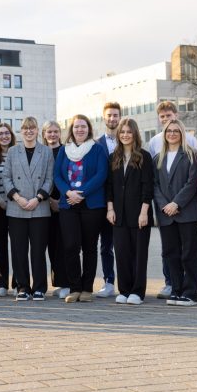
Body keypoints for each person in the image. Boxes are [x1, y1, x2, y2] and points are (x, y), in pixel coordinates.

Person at [54, 114, 109, 303]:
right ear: (71, 130)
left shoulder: (97, 149)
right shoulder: (64, 150)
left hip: (92, 205)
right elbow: (57, 176)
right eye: (76, 127)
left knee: (89, 248)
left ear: (89, 129)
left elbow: (102, 174)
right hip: (68, 204)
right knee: (70, 247)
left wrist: (82, 193)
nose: (80, 130)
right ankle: (75, 287)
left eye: (83, 127)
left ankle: (87, 288)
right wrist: (68, 193)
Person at [147, 101, 197, 300]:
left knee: (188, 255)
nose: (172, 134)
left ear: (182, 133)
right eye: (169, 131)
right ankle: (176, 290)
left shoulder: (191, 155)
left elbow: (192, 183)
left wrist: (176, 203)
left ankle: (191, 292)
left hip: (187, 212)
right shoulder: (157, 158)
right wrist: (164, 205)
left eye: (176, 131)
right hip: (166, 214)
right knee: (171, 253)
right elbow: (155, 185)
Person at [4, 117, 54, 301]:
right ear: (21, 131)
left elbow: (50, 179)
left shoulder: (46, 152)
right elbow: (6, 177)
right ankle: (23, 287)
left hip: (39, 207)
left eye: (32, 128)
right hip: (17, 207)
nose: (29, 131)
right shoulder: (12, 151)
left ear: (37, 129)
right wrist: (17, 197)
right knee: (18, 250)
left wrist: (38, 197)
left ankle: (39, 287)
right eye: (25, 128)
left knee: (38, 250)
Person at [106, 118, 153, 305]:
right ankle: (124, 290)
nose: (125, 135)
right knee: (122, 253)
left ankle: (137, 291)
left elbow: (147, 187)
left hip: (139, 213)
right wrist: (110, 209)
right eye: (122, 132)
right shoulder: (113, 157)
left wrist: (144, 212)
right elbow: (108, 186)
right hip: (118, 214)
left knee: (139, 254)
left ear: (135, 134)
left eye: (129, 132)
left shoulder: (144, 156)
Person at [95, 102, 120, 298]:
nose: (112, 119)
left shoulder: (128, 140)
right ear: (104, 118)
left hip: (125, 202)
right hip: (103, 203)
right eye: (109, 115)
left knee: (126, 245)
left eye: (115, 115)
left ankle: (131, 281)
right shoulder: (96, 145)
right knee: (105, 245)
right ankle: (109, 281)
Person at [42, 120, 69, 300]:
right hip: (44, 203)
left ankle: (67, 283)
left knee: (64, 245)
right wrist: (49, 199)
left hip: (64, 204)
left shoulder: (66, 151)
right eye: (49, 132)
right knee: (52, 245)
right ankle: (59, 282)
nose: (52, 135)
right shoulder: (42, 152)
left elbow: (68, 175)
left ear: (60, 133)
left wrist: (59, 201)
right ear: (44, 134)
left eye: (55, 131)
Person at [0, 122, 16, 297]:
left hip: (17, 206)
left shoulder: (19, 155)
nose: (4, 136)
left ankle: (17, 283)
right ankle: (1, 283)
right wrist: (0, 201)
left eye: (7, 133)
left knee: (17, 246)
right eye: (0, 134)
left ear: (12, 135)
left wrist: (15, 201)